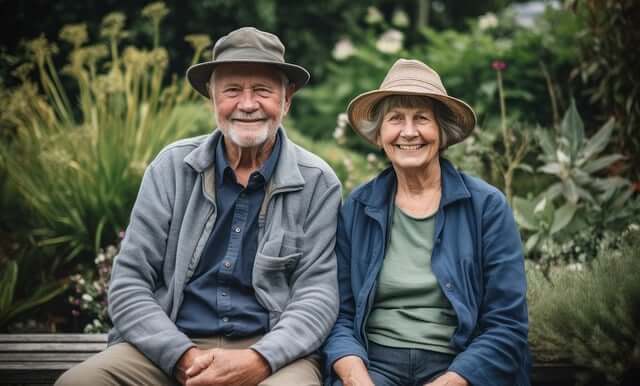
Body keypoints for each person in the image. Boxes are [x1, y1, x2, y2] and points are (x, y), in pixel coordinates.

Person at [56, 27, 342, 386]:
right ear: (212, 97)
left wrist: (259, 360)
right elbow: (129, 283)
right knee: (79, 383)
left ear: (286, 101)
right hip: (170, 342)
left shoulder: (317, 181)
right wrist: (182, 357)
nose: (248, 104)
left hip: (273, 351)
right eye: (232, 90)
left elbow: (318, 296)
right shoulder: (171, 168)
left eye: (263, 91)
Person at [322, 59, 530, 386]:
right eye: (395, 119)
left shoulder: (487, 207)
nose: (408, 132)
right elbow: (339, 316)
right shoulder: (358, 208)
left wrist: (453, 380)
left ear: (441, 133)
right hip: (374, 363)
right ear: (379, 136)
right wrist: (356, 378)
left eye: (421, 118)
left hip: (458, 365)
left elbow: (507, 324)